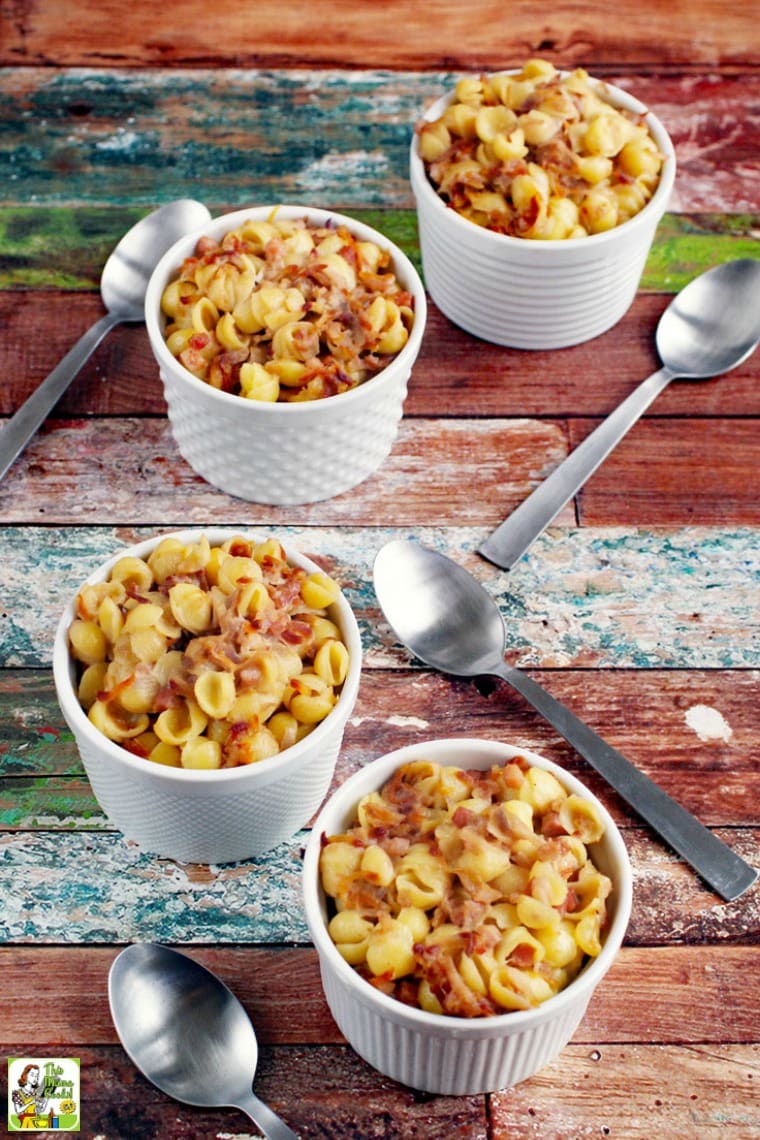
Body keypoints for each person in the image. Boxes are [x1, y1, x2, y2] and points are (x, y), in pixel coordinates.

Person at [11, 1064, 49, 1129]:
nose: (35, 1078)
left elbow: (40, 1110)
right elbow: (18, 1110)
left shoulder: (36, 1092)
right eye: (32, 1075)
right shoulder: (17, 1093)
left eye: (37, 1076)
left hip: (36, 1121)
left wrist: (46, 1099)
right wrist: (31, 1102)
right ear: (25, 1076)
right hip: (26, 1122)